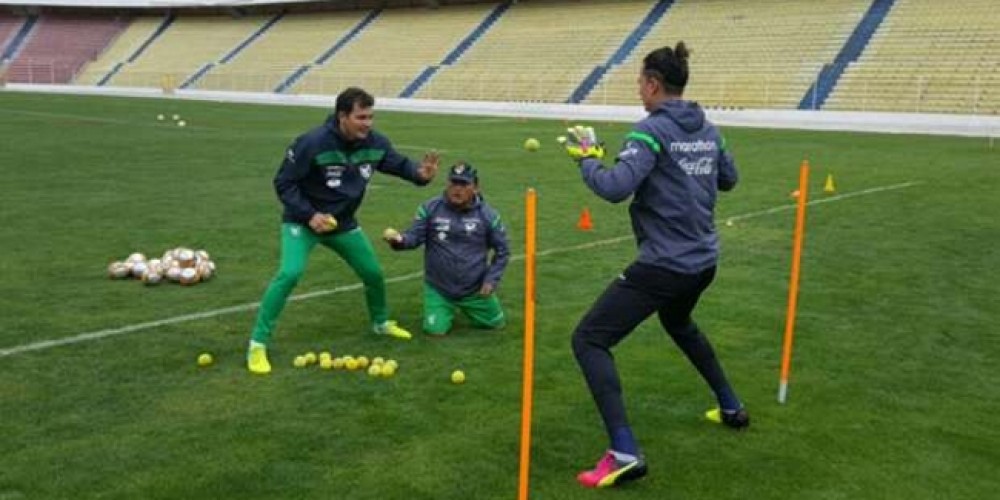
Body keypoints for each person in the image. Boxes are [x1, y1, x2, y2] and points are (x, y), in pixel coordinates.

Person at [560, 42, 749, 488]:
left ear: (652, 84)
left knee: (589, 339)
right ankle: (731, 407)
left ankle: (624, 453)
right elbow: (729, 179)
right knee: (678, 322)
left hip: (666, 264)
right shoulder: (709, 129)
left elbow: (615, 187)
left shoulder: (649, 131)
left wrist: (588, 161)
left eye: (639, 82)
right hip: (703, 261)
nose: (638, 90)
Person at [247, 87, 440, 375]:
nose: (367, 123)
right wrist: (310, 215)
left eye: (370, 117)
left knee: (372, 273)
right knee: (289, 273)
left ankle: (380, 324)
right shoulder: (312, 143)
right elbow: (284, 183)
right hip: (303, 222)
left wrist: (420, 175)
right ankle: (257, 344)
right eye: (361, 117)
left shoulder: (375, 143)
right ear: (342, 116)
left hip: (342, 224)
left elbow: (399, 165)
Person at [382, 162, 509, 335]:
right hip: (439, 289)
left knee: (496, 324)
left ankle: (468, 306)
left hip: (475, 290)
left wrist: (491, 280)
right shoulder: (430, 208)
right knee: (435, 331)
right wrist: (399, 240)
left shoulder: (489, 216)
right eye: (453, 183)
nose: (457, 189)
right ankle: (444, 306)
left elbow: (502, 251)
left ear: (475, 188)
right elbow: (414, 237)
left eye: (464, 184)